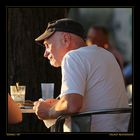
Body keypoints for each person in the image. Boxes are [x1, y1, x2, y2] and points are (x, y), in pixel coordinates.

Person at [33, 18, 129, 132]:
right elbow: (94, 100)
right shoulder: (106, 54)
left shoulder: (72, 57)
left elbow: (72, 105)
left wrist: (49, 112)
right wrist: (59, 104)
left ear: (66, 39)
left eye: (47, 45)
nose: (45, 54)